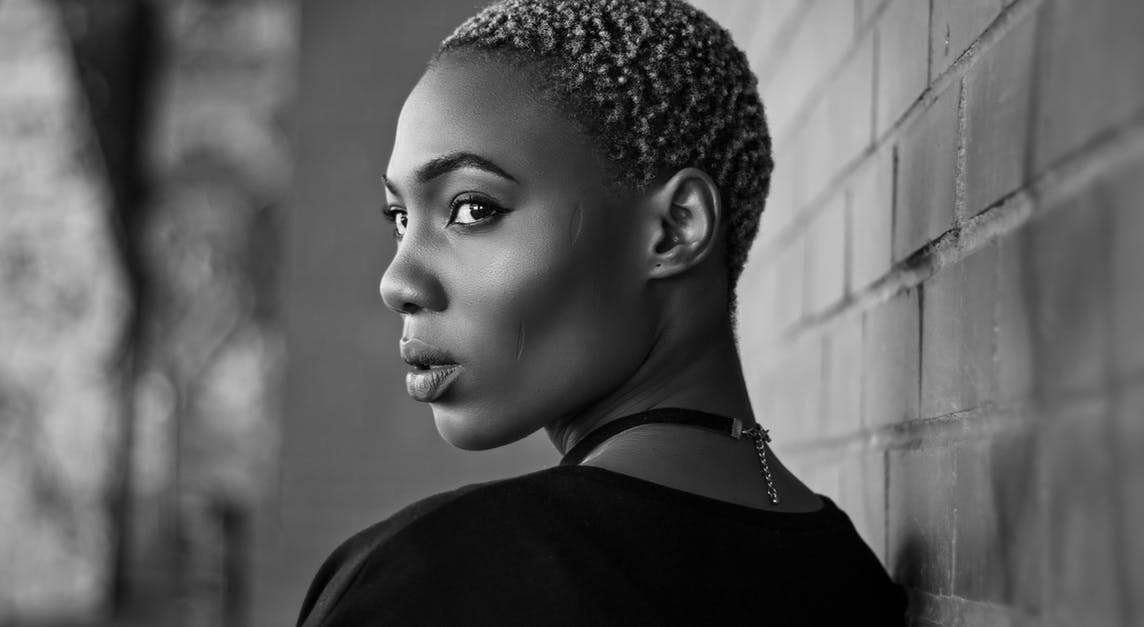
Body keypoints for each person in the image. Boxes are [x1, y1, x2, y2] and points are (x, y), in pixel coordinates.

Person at [296, 0, 908, 624]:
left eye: (472, 208)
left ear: (675, 229)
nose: (397, 281)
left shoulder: (433, 580)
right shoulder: (853, 581)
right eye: (401, 219)